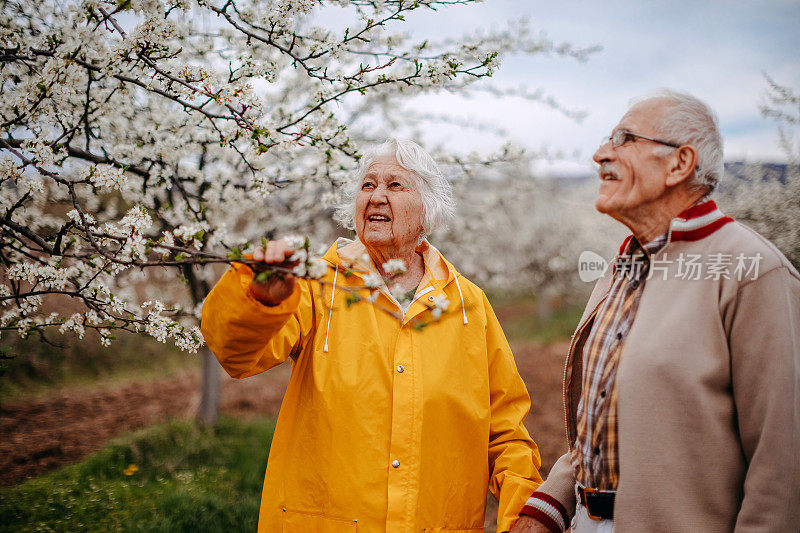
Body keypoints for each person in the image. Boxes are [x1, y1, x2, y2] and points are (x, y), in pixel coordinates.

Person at [201, 138, 543, 532]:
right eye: (368, 185)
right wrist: (258, 298)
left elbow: (507, 432)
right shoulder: (316, 285)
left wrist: (524, 514)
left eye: (395, 186)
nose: (377, 196)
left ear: (426, 213)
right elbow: (237, 355)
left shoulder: (469, 305)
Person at [518, 90, 800, 532]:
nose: (599, 154)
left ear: (679, 164)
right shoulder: (620, 267)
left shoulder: (754, 273)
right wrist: (551, 503)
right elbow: (604, 418)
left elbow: (782, 465)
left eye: (623, 138)